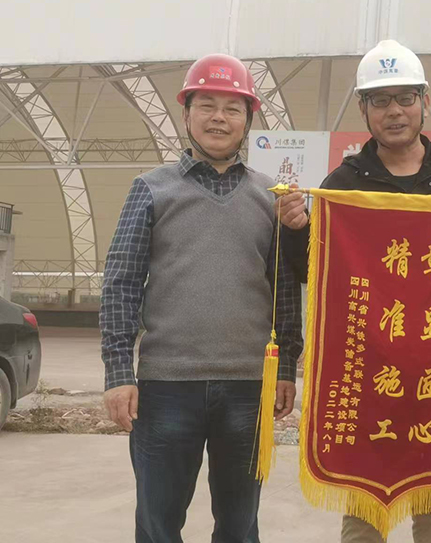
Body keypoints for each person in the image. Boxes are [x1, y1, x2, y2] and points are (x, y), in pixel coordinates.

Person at [279, 39, 431, 543]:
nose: (394, 111)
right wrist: (296, 229)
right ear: (364, 110)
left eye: (405, 98)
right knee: (363, 507)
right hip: (367, 370)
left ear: (425, 102)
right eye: (380, 100)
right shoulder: (343, 183)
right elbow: (314, 273)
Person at [100, 53, 304, 543]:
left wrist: (286, 366)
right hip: (166, 386)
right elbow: (121, 282)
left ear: (247, 120)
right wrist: (119, 372)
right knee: (158, 522)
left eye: (232, 108)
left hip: (248, 387)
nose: (219, 118)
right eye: (207, 105)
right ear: (186, 113)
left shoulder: (271, 197)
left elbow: (284, 290)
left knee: (239, 523)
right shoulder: (151, 189)